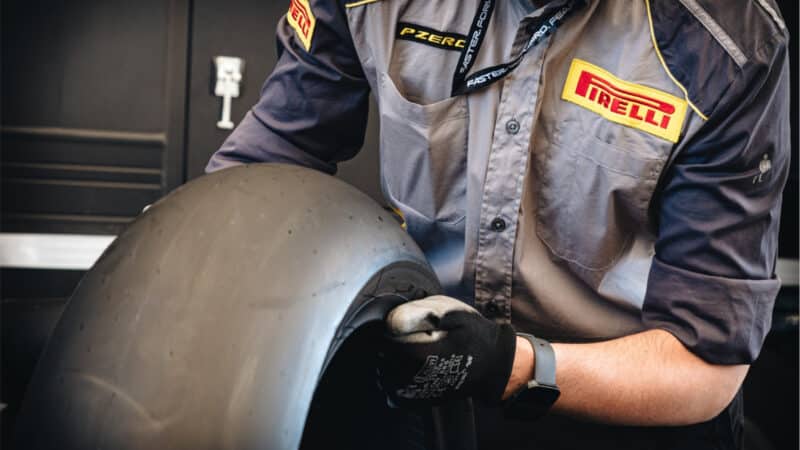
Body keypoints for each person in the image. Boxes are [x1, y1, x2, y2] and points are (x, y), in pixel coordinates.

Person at [206, 0, 791, 448]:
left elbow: (704, 367)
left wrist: (502, 364)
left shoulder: (726, 42)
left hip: (628, 406)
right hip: (421, 392)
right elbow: (254, 185)